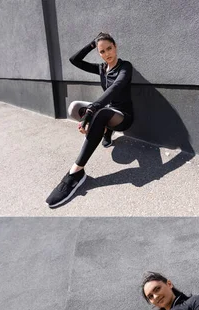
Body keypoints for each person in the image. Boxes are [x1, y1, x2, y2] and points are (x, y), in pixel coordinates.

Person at [46, 32, 134, 208]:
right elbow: (74, 60)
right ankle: (104, 130)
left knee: (100, 113)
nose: (107, 54)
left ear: (115, 47)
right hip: (107, 109)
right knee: (74, 108)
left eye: (109, 48)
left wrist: (93, 109)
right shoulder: (102, 68)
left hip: (123, 116)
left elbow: (117, 87)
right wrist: (91, 44)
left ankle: (76, 172)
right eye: (102, 51)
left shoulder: (125, 67)